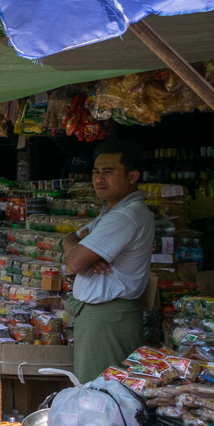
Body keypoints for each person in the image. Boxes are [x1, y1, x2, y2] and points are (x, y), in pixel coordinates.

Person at [63, 139, 155, 384]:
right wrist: (75, 247)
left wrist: (78, 255)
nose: (99, 179)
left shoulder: (125, 215)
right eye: (95, 172)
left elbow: (74, 264)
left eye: (108, 172)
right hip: (102, 317)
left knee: (101, 397)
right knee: (97, 391)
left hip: (108, 318)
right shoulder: (111, 212)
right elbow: (70, 239)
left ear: (132, 176)